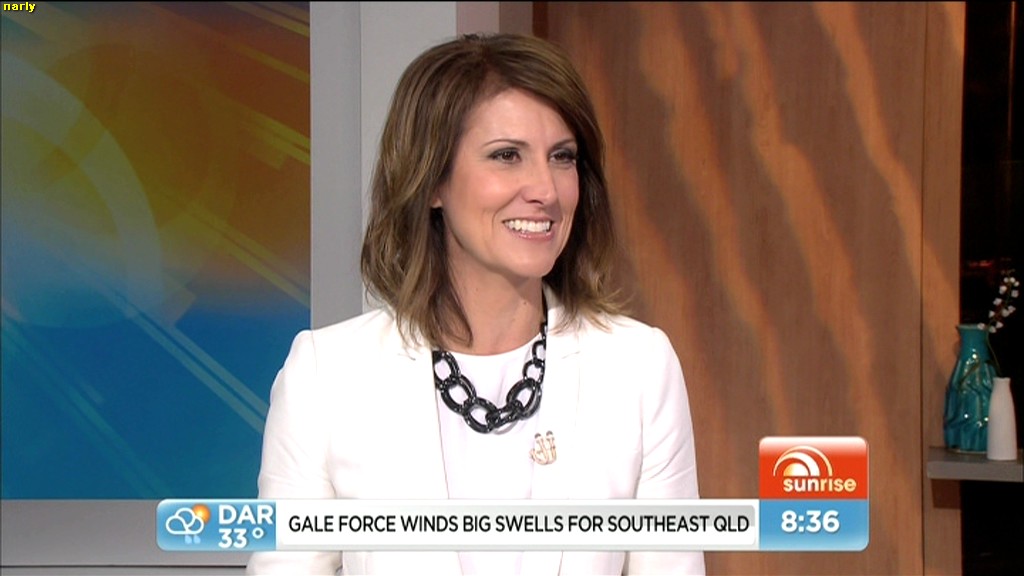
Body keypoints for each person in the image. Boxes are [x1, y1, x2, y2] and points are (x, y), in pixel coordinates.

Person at [246, 32, 704, 576]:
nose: (546, 190)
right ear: (432, 181)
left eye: (562, 157)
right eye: (507, 156)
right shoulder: (328, 375)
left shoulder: (638, 367)